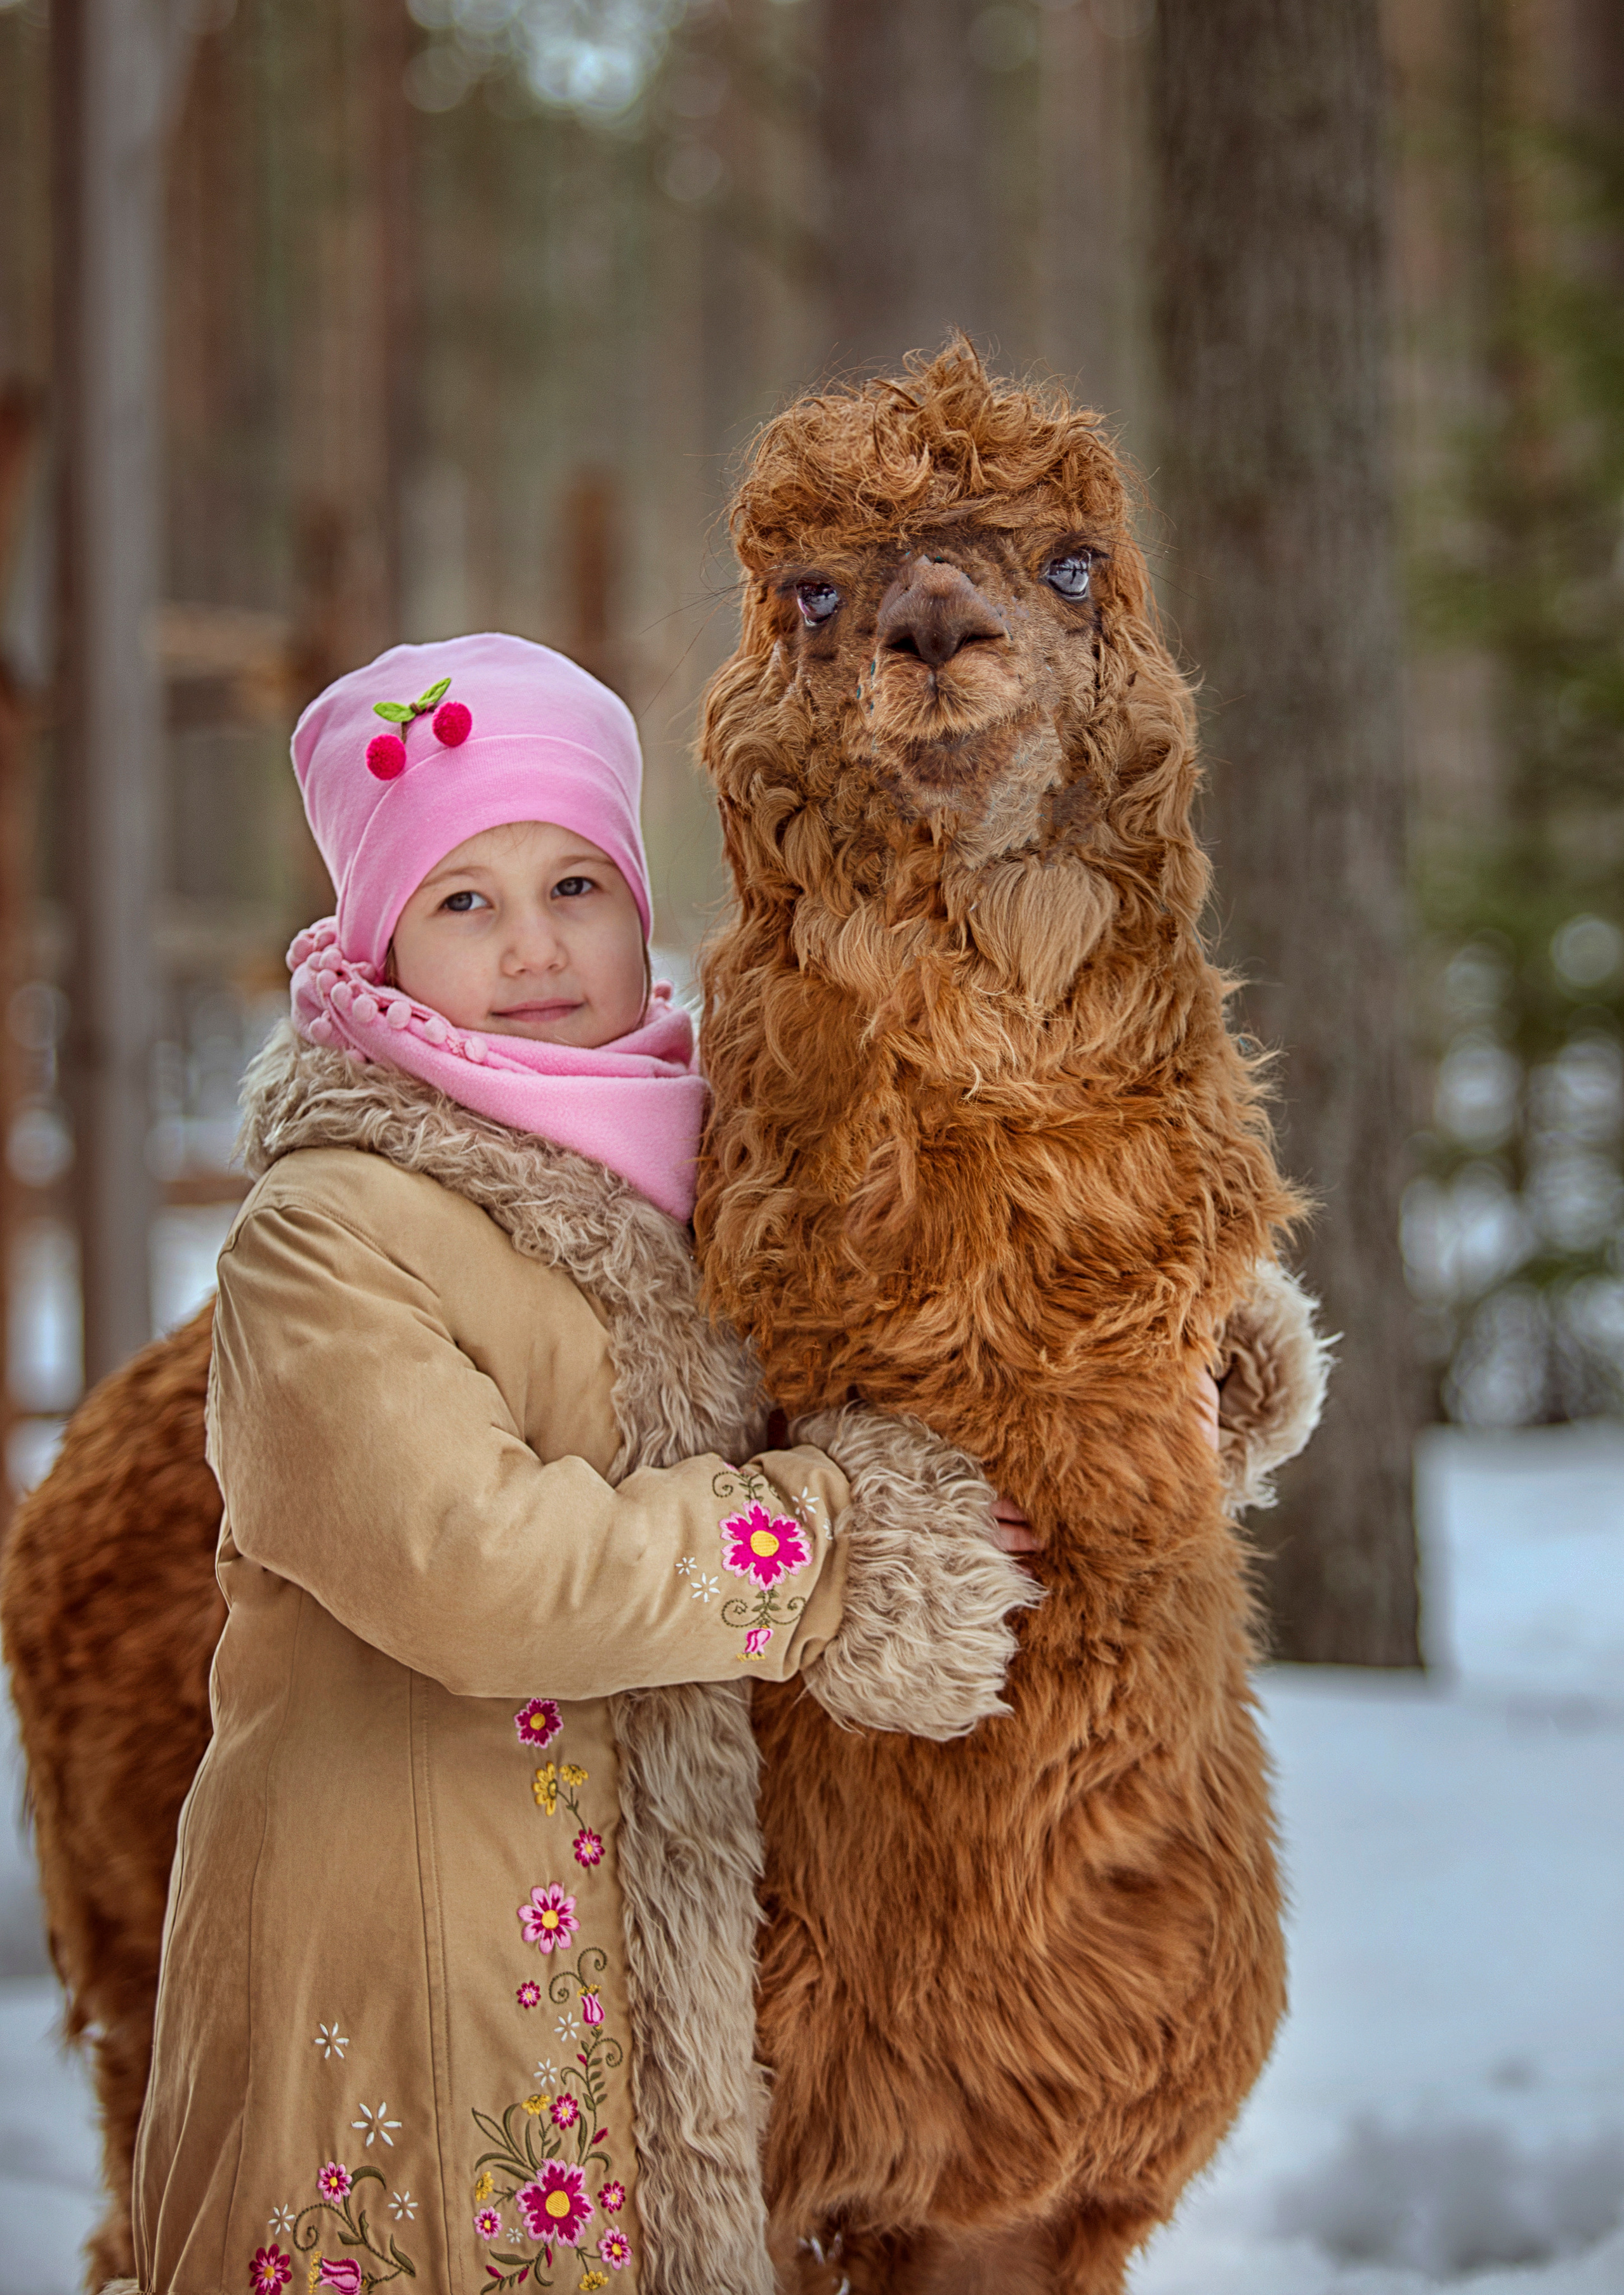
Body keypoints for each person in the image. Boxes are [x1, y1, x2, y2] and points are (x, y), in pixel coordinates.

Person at [128, 634, 1042, 2295]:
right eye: (463, 902)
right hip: (415, 1977)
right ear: (380, 940)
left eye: (572, 881)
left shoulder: (726, 1179)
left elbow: (940, 1332)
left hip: (659, 1986)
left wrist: (1153, 1383)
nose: (536, 945)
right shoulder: (331, 1229)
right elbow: (474, 1570)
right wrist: (824, 1548)